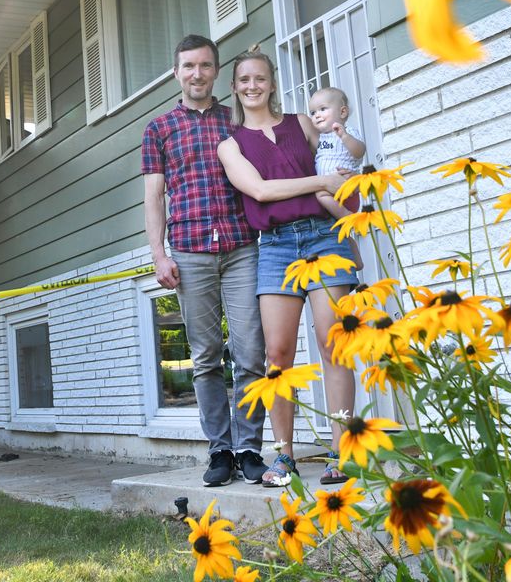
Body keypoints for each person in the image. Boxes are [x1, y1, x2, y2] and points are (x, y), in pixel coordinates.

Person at [142, 35, 341, 487]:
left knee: (253, 353)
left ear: (218, 75)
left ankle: (250, 448)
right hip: (191, 249)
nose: (197, 74)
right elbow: (154, 196)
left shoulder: (232, 123)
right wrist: (159, 254)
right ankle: (220, 449)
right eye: (189, 66)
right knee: (206, 355)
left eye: (206, 66)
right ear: (177, 72)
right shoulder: (159, 129)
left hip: (244, 245)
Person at [218, 47, 359, 487]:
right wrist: (321, 182)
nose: (252, 86)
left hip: (323, 236)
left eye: (260, 78)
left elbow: (341, 163)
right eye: (244, 80)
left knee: (332, 341)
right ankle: (284, 456)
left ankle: (342, 451)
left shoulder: (302, 123)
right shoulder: (230, 144)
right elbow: (259, 190)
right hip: (275, 246)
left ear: (272, 83)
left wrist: (348, 205)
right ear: (236, 87)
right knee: (277, 354)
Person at [309, 86, 366, 269]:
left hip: (346, 188)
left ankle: (347, 217)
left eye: (322, 109)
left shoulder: (348, 132)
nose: (317, 115)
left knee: (319, 195)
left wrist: (344, 136)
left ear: (342, 112)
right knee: (340, 233)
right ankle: (357, 260)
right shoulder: (321, 137)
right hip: (331, 192)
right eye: (313, 112)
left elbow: (359, 152)